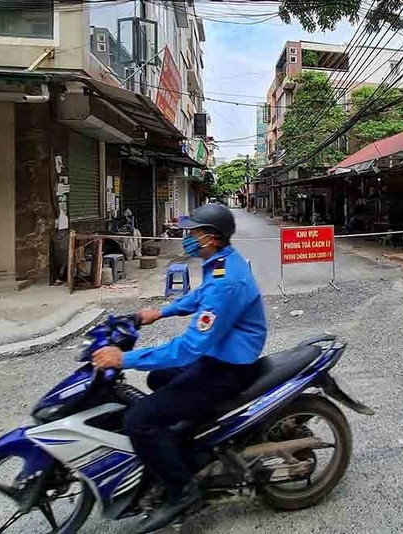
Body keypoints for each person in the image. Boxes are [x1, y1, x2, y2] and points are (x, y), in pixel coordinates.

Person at [92, 203, 267, 533]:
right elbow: (200, 295)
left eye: (194, 232)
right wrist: (160, 312)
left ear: (212, 238)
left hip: (226, 368)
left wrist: (124, 359)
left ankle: (183, 492)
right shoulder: (219, 264)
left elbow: (188, 349)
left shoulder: (226, 280)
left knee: (138, 420)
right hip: (219, 356)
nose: (187, 237)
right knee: (158, 377)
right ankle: (191, 444)